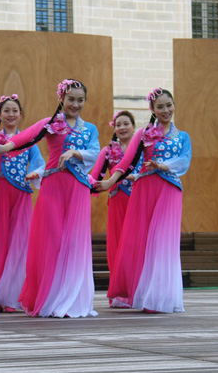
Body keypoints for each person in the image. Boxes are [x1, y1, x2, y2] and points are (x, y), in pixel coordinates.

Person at [0, 79, 99, 318]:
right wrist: (5, 147)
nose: (75, 104)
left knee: (75, 242)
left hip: (78, 188)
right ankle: (50, 297)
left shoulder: (90, 129)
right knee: (51, 240)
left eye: (80, 100)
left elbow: (94, 151)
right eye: (71, 99)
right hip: (53, 186)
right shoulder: (51, 124)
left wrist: (75, 152)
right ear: (61, 98)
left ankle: (72, 300)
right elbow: (27, 136)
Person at [95, 88, 192, 313]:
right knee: (143, 241)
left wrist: (162, 166)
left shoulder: (183, 136)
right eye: (160, 107)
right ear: (152, 110)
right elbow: (126, 162)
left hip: (169, 190)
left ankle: (161, 297)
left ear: (174, 105)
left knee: (163, 241)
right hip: (145, 190)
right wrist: (109, 183)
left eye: (169, 105)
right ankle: (144, 294)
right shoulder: (143, 134)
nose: (165, 110)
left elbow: (184, 160)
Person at [0, 94, 45, 313]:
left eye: (14, 111)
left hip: (21, 194)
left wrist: (33, 173)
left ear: (20, 114)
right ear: (0, 114)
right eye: (7, 111)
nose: (11, 114)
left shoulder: (29, 141)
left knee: (19, 244)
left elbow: (40, 164)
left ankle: (11, 297)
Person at [90, 110, 139, 307]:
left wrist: (133, 177)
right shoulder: (108, 151)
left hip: (138, 202)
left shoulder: (142, 150)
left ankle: (136, 291)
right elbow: (95, 177)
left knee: (136, 246)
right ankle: (118, 293)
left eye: (126, 123)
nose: (122, 128)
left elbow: (145, 171)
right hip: (118, 201)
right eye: (118, 124)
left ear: (134, 127)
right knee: (117, 247)